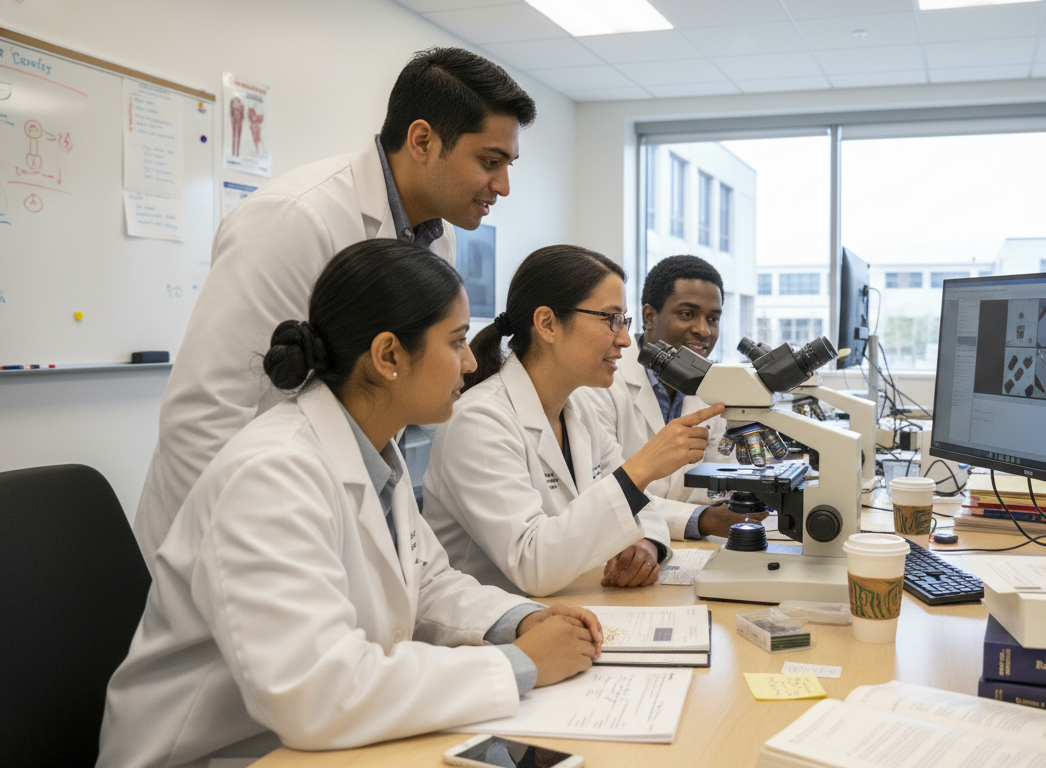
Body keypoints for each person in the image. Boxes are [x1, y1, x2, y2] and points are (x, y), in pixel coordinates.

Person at [98, 241, 602, 768]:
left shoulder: (374, 448)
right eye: (456, 343)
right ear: (388, 356)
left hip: (318, 743)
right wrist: (518, 665)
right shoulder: (273, 473)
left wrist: (520, 621)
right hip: (225, 752)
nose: (472, 362)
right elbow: (314, 691)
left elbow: (427, 581)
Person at [132, 47, 536, 564]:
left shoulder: (436, 238)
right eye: (490, 162)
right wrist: (257, 550)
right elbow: (205, 414)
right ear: (422, 140)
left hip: (329, 512)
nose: (502, 185)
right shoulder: (294, 219)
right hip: (236, 541)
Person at [420, 245, 724, 597]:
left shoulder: (579, 410)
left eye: (624, 321)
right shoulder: (478, 421)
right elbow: (533, 564)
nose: (626, 339)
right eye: (611, 319)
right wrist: (643, 467)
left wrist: (648, 546)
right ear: (547, 324)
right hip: (494, 636)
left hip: (572, 608)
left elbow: (645, 509)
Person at [585, 255, 767, 540]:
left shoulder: (712, 389)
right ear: (649, 316)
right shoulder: (603, 381)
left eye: (713, 319)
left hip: (678, 547)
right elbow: (606, 492)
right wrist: (701, 520)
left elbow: (720, 478)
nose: (703, 330)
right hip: (621, 545)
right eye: (687, 314)